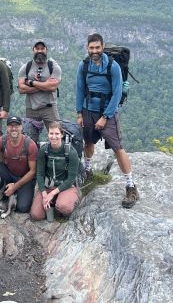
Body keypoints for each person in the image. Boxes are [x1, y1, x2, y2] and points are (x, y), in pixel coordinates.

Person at [76, 32, 139, 208]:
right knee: (88, 143)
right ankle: (88, 170)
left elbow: (117, 93)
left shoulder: (113, 66)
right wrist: (79, 113)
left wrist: (105, 117)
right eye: (91, 48)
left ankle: (131, 186)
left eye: (97, 47)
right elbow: (80, 89)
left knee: (118, 148)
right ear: (87, 48)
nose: (94, 51)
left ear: (103, 47)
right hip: (88, 110)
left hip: (108, 112)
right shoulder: (84, 66)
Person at [0, 115, 38, 213]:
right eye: (11, 126)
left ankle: (14, 191)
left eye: (17, 126)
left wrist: (15, 186)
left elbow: (32, 171)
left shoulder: (30, 145)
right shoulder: (2, 141)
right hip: (8, 172)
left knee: (22, 208)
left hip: (25, 177)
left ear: (21, 127)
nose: (14, 128)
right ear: (7, 128)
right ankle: (4, 189)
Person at [31, 122, 80, 221]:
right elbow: (40, 174)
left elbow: (71, 179)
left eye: (57, 134)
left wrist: (52, 194)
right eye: (51, 133)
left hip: (66, 186)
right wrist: (45, 194)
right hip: (48, 186)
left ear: (62, 135)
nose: (53, 137)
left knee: (64, 207)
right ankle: (53, 202)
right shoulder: (44, 150)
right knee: (36, 215)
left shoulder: (71, 152)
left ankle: (71, 197)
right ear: (48, 134)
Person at [18, 40, 61, 145]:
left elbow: (53, 86)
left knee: (57, 135)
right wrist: (44, 85)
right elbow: (21, 89)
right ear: (33, 50)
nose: (40, 51)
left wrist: (31, 82)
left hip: (49, 108)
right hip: (31, 108)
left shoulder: (53, 66)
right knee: (30, 139)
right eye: (37, 49)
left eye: (42, 49)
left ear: (46, 50)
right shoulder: (26, 67)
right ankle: (33, 160)